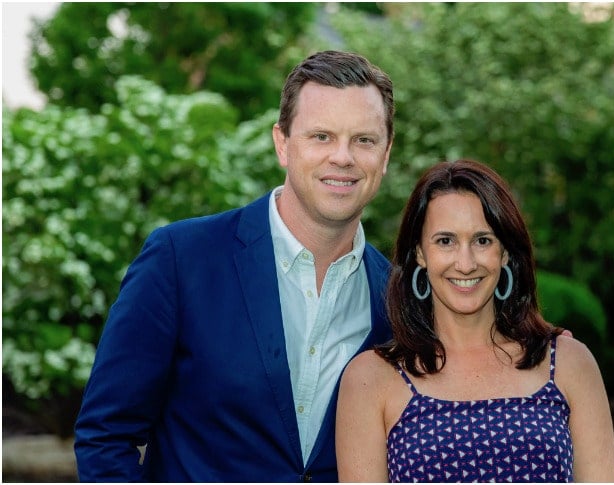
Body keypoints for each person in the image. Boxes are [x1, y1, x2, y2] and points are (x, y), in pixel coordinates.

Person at [74, 50, 395, 482]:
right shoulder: (180, 259)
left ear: (386, 154)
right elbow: (105, 437)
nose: (343, 157)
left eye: (364, 140)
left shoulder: (396, 300)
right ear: (282, 143)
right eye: (321, 136)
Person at [336, 159, 614, 483]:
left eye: (482, 240)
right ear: (420, 253)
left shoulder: (569, 363)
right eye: (445, 241)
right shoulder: (370, 380)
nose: (466, 263)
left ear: (505, 252)